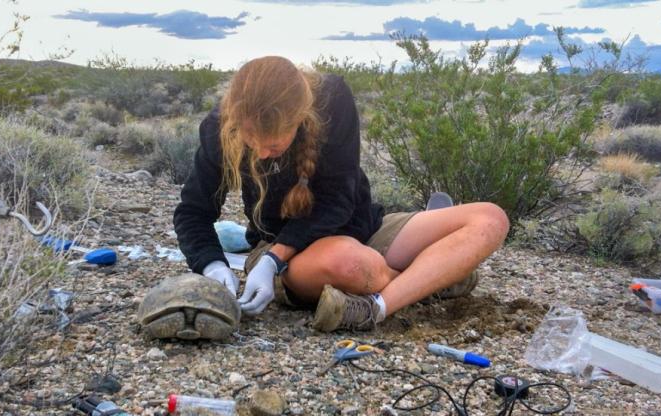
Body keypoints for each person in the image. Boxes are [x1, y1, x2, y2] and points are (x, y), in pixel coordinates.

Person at [174, 56, 509, 332]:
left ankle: (377, 306)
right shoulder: (218, 128)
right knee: (353, 265)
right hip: (288, 251)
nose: (261, 153)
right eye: (252, 140)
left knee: (490, 219)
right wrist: (214, 265)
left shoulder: (332, 98)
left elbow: (339, 200)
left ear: (300, 117)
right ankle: (435, 276)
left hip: (360, 226)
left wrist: (274, 259)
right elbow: (193, 212)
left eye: (274, 145)